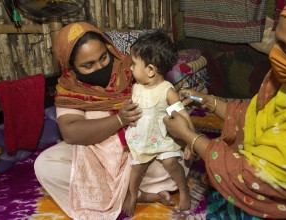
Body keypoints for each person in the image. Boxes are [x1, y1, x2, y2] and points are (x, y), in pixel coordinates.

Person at [163, 0, 286, 219]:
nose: (274, 55)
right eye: (276, 42)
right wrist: (209, 102)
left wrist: (189, 136)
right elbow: (255, 115)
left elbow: (254, 178)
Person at [34, 22, 190, 219]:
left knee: (172, 164)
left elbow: (168, 103)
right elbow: (71, 133)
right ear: (70, 65)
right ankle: (130, 193)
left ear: (108, 48)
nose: (100, 67)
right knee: (46, 165)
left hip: (139, 151)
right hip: (95, 155)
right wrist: (119, 119)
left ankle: (124, 191)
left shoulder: (132, 67)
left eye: (103, 58)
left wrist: (184, 130)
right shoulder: (69, 88)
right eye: (88, 65)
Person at [122, 32, 194, 216]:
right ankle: (133, 195)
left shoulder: (167, 91)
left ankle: (184, 190)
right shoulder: (136, 87)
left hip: (162, 137)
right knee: (136, 169)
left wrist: (190, 141)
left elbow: (182, 113)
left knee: (170, 162)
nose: (130, 68)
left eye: (133, 64)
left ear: (150, 70)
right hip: (143, 137)